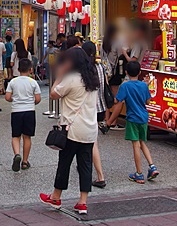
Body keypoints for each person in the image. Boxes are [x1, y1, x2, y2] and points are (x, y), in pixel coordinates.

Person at [39, 47, 100, 216]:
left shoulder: (71, 79)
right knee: (85, 165)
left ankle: (56, 197)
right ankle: (82, 202)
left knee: (64, 163)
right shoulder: (93, 80)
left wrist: (59, 75)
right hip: (89, 130)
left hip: (72, 130)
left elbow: (53, 94)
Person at [108, 61, 159, 184]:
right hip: (143, 117)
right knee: (142, 142)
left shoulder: (125, 86)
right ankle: (152, 166)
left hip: (132, 118)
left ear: (126, 72)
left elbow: (117, 100)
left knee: (136, 145)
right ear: (139, 72)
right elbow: (148, 101)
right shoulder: (143, 86)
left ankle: (139, 173)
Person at [5, 57, 41, 172]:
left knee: (16, 136)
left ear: (18, 69)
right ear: (31, 69)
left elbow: (7, 97)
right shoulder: (33, 82)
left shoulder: (13, 82)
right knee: (27, 136)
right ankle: (25, 162)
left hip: (16, 111)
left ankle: (17, 154)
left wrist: (14, 100)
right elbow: (38, 99)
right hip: (29, 111)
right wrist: (32, 102)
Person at [81, 41, 108, 188]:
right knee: (91, 140)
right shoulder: (100, 67)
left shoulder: (84, 69)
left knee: (92, 143)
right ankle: (85, 166)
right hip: (101, 107)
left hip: (89, 108)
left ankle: (100, 176)